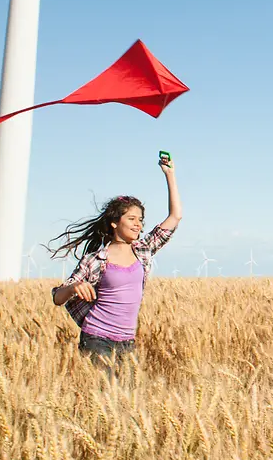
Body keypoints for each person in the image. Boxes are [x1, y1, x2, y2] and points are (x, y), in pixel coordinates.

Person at [51, 153, 182, 367]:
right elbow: (58, 297)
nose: (138, 224)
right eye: (131, 219)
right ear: (114, 223)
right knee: (104, 398)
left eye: (140, 220)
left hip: (127, 343)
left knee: (129, 398)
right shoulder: (96, 259)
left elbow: (175, 216)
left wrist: (170, 174)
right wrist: (75, 286)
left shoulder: (144, 250)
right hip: (96, 339)